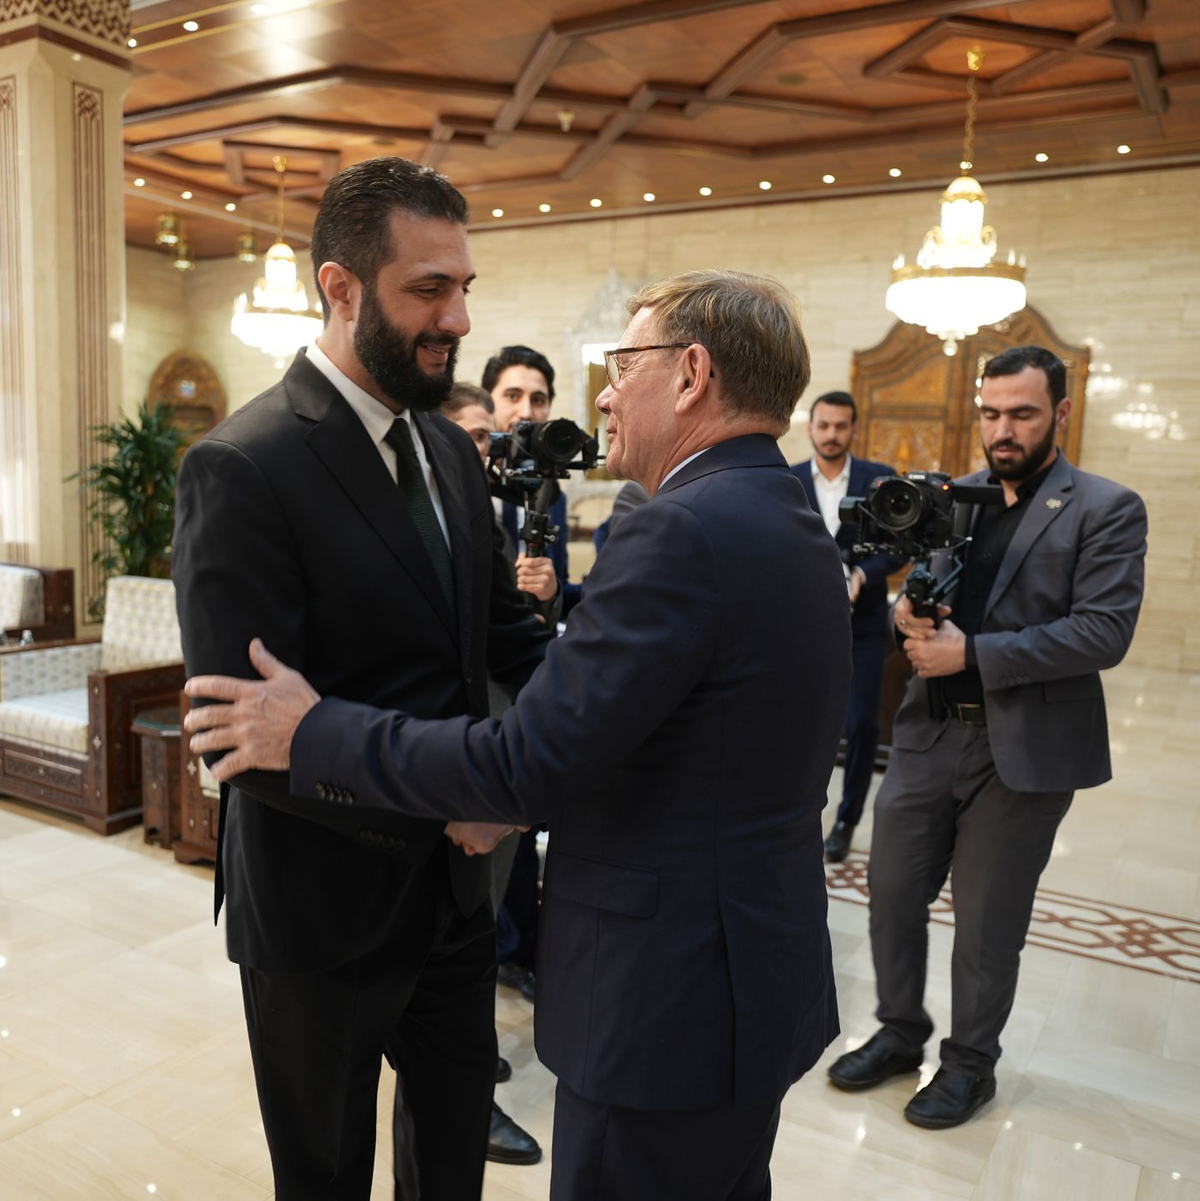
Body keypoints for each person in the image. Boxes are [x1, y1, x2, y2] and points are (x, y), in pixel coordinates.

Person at [185, 269, 854, 1201]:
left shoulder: (679, 530)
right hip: (745, 976)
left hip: (664, 1000)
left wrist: (315, 731)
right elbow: (648, 725)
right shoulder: (785, 512)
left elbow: (527, 758)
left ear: (692, 374)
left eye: (623, 365)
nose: (605, 393)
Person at [171, 156, 552, 1200]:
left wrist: (598, 706)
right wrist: (454, 800)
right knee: (327, 1175)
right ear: (340, 288)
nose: (458, 318)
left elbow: (505, 643)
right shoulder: (242, 464)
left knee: (450, 1162)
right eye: (428, 288)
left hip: (458, 899)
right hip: (319, 913)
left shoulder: (450, 451)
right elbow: (238, 741)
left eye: (463, 286)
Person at [826, 345, 1147, 1129]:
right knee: (891, 894)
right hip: (928, 735)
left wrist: (972, 653)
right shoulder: (952, 497)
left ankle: (970, 1063)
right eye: (991, 413)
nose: (1003, 430)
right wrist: (908, 615)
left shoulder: (1106, 507)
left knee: (985, 921)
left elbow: (1103, 632)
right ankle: (900, 1031)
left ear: (1061, 413)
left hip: (1021, 749)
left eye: (1022, 414)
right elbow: (922, 591)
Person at [438, 380, 544, 1167]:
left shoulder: (496, 517)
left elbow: (515, 636)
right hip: (449, 759)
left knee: (482, 917)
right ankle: (463, 1084)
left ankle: (465, 1067)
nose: (489, 450)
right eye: (474, 436)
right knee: (459, 932)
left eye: (487, 439)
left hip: (503, 741)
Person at [791, 391, 906, 861]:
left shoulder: (879, 478)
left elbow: (899, 545)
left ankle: (846, 820)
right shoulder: (789, 480)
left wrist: (863, 574)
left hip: (865, 626)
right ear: (810, 428)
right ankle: (795, 811)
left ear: (854, 429)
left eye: (841, 426)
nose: (832, 434)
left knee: (861, 724)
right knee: (798, 721)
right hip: (803, 627)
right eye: (824, 426)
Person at [482, 344, 583, 615]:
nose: (526, 412)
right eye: (512, 396)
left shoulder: (552, 493)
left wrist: (553, 591)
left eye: (538, 400)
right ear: (488, 403)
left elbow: (560, 582)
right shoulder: (463, 482)